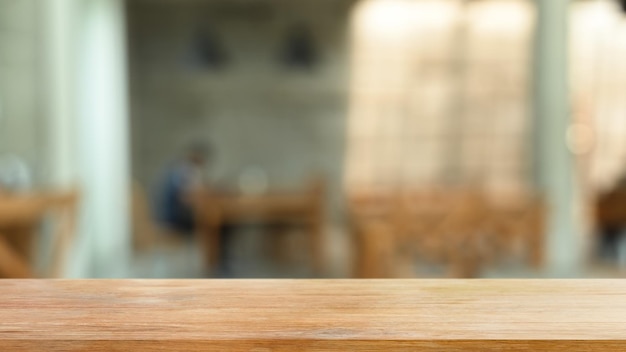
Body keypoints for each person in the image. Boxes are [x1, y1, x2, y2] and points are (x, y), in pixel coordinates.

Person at [157, 142, 210, 236]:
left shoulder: (183, 168)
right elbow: (186, 197)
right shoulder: (184, 170)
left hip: (172, 214)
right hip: (173, 217)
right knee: (211, 221)